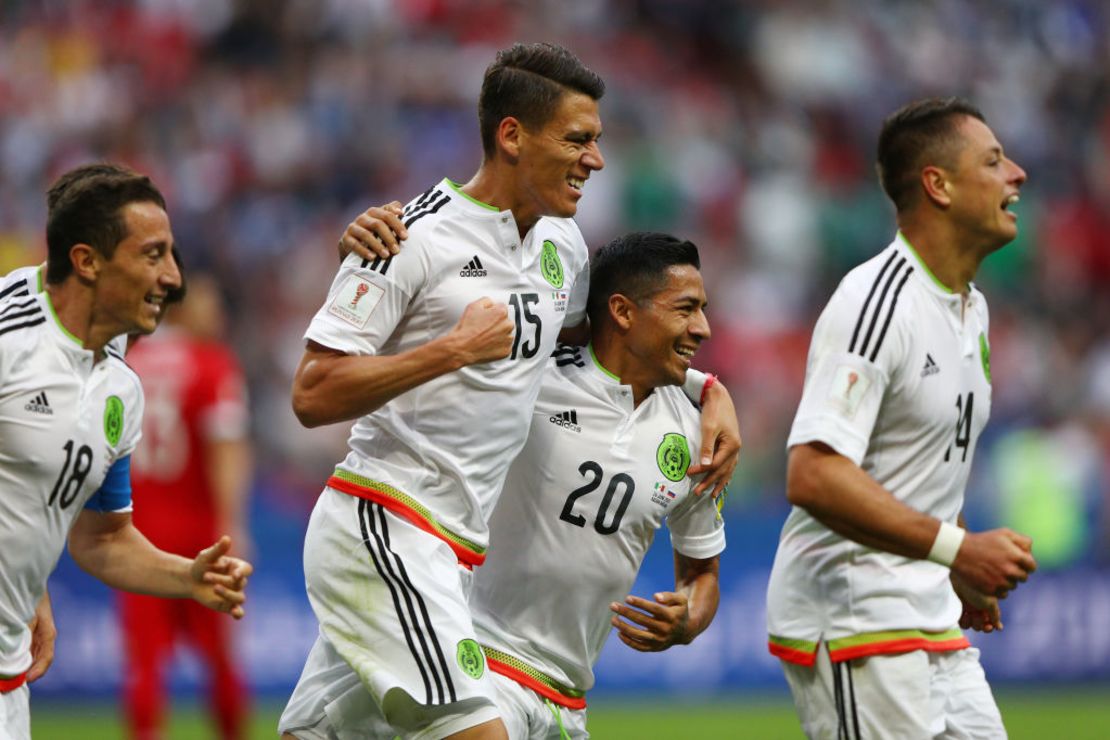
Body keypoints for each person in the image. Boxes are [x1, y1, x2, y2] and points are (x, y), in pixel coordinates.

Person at [279, 43, 738, 740]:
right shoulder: (411, 236)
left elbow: (628, 333)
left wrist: (710, 390)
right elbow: (312, 392)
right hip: (386, 522)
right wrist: (451, 350)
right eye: (578, 140)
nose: (596, 160)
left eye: (598, 141)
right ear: (513, 135)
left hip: (454, 551)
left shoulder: (564, 249)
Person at [765, 97, 1038, 738]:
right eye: (994, 161)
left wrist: (956, 562)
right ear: (937, 185)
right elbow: (812, 474)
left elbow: (919, 458)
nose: (1017, 174)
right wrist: (959, 549)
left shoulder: (971, 310)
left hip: (928, 612)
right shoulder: (876, 302)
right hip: (854, 610)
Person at [0, 165, 252, 740]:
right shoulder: (9, 341)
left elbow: (103, 537)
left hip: (10, 681)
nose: (172, 277)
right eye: (153, 255)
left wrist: (185, 576)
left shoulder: (120, 382)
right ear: (87, 261)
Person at [470, 232, 726, 738]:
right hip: (480, 661)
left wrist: (689, 620)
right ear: (623, 311)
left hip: (568, 698)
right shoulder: (533, 380)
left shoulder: (699, 435)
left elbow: (702, 573)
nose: (704, 328)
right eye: (686, 309)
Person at [121, 273, 253, 740]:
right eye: (209, 304)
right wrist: (233, 521)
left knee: (144, 661)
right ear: (185, 308)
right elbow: (225, 448)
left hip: (134, 534)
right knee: (219, 657)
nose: (217, 315)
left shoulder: (128, 362)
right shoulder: (212, 364)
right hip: (202, 535)